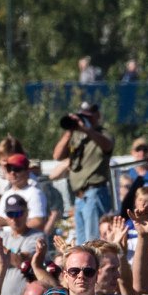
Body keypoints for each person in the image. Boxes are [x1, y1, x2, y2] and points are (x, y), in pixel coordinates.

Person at [54, 103, 114, 244]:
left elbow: (107, 145)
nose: (84, 120)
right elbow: (57, 155)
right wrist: (70, 130)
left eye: (88, 116)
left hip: (94, 192)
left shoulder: (103, 134)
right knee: (82, 243)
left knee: (93, 240)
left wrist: (87, 129)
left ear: (97, 116)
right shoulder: (76, 136)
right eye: (82, 116)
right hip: (79, 197)